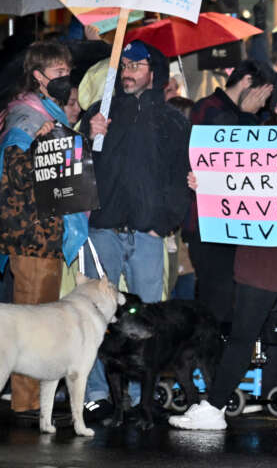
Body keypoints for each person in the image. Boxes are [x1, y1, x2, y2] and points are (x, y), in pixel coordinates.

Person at [170, 78, 277, 435]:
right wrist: (204, 185)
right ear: (275, 107)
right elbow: (227, 186)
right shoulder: (252, 144)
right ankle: (215, 407)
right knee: (242, 336)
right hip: (258, 260)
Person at [81, 41, 193, 422]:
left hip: (147, 235)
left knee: (148, 322)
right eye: (123, 64)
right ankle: (98, 393)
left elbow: (183, 177)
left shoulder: (174, 121)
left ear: (154, 72)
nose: (127, 70)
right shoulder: (100, 112)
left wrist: (164, 223)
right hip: (104, 230)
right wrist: (86, 134)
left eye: (136, 65)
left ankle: (136, 394)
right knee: (95, 317)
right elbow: (76, 168)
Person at [0, 41, 73, 425]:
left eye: (67, 71)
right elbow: (17, 176)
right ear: (39, 77)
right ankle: (25, 404)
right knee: (30, 324)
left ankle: (30, 401)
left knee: (38, 321)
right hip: (31, 235)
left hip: (46, 234)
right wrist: (43, 143)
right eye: (59, 73)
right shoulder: (26, 119)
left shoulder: (49, 113)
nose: (66, 79)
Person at [186, 59, 274, 326]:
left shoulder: (244, 115)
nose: (263, 104)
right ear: (247, 83)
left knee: (234, 302)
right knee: (217, 301)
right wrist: (247, 115)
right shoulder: (209, 110)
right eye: (262, 95)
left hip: (236, 226)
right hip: (209, 228)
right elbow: (231, 157)